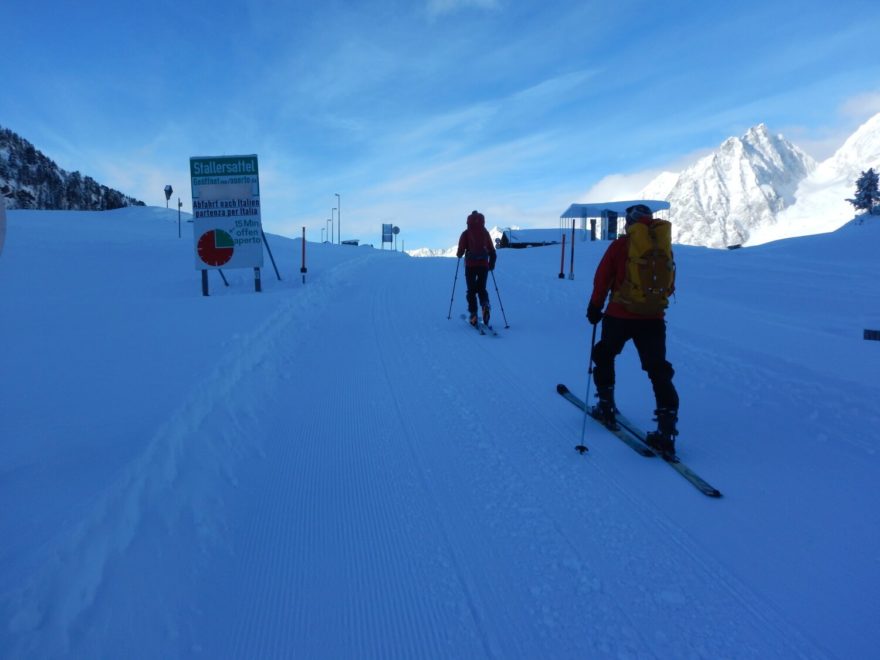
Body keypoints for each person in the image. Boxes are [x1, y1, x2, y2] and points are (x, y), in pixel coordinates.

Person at [586, 204, 679, 454]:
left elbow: (602, 278)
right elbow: (669, 286)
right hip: (653, 318)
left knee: (605, 354)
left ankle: (606, 406)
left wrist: (595, 307)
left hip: (620, 315)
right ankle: (666, 430)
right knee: (658, 369)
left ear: (628, 222)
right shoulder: (662, 248)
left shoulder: (620, 246)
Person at [456, 210, 497, 326]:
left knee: (471, 291)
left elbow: (460, 251)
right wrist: (491, 263)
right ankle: (485, 305)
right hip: (483, 265)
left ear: (468, 221)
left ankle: (473, 314)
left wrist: (459, 254)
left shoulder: (466, 233)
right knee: (482, 289)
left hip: (470, 265)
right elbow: (492, 251)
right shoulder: (485, 233)